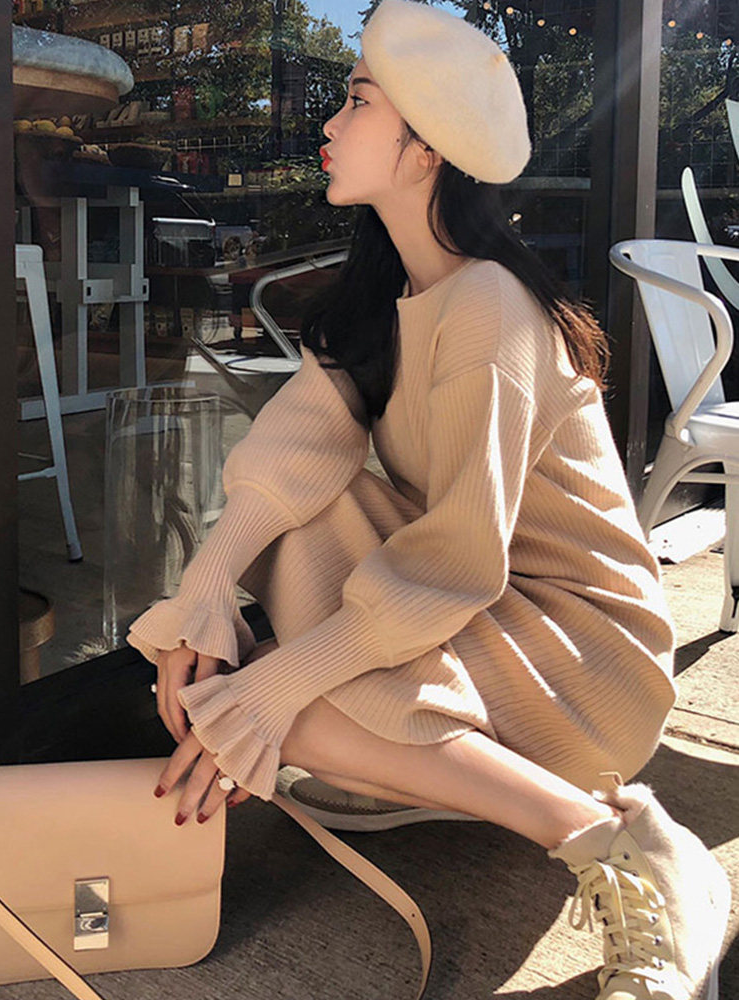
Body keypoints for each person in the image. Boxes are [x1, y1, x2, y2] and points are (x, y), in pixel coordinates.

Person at [126, 2, 731, 997]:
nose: (330, 121)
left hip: (584, 658)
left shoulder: (490, 308)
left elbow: (453, 561)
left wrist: (274, 689)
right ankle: (423, 759)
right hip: (483, 614)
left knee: (268, 705)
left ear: (428, 147)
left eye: (358, 100)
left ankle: (630, 847)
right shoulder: (390, 294)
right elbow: (294, 453)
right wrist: (202, 595)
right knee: (272, 623)